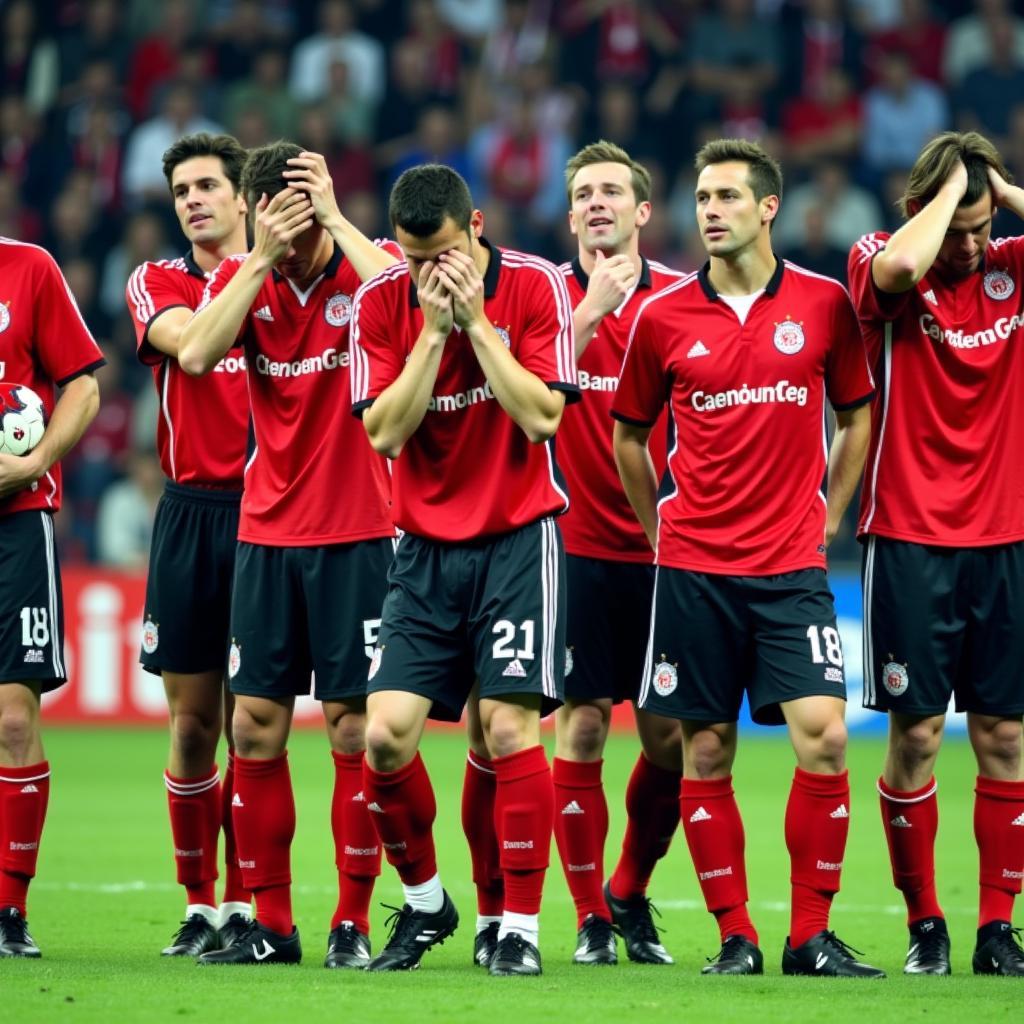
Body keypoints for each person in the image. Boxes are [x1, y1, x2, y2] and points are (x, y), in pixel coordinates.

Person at [612, 138, 883, 978]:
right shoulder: (662, 318)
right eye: (702, 198)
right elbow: (629, 435)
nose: (711, 211)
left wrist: (830, 515)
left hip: (790, 570)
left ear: (768, 207)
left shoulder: (825, 303)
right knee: (705, 752)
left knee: (826, 740)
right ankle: (737, 935)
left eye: (728, 196)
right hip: (693, 569)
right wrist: (659, 533)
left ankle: (809, 936)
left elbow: (858, 415)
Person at [349, 163, 578, 976]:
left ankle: (516, 927)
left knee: (510, 729)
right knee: (383, 736)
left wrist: (478, 326)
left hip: (518, 538)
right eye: (412, 260)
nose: (426, 275)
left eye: (441, 255)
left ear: (475, 227)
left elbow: (544, 415)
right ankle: (424, 904)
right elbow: (384, 433)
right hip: (423, 550)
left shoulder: (538, 285)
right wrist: (435, 331)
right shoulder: (379, 305)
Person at [177, 140, 399, 967]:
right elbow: (196, 355)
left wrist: (338, 218)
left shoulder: (358, 273)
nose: (294, 220)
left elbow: (406, 294)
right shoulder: (249, 282)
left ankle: (350, 919)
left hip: (359, 533)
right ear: (259, 209)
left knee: (351, 729)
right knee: (256, 726)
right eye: (279, 205)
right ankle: (271, 923)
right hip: (267, 533)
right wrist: (260, 256)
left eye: (304, 202)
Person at [849, 130, 1024, 977]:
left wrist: (999, 191)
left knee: (1004, 738)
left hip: (1008, 537)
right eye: (957, 226)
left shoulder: (1013, 266)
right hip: (910, 534)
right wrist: (946, 198)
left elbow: (995, 231)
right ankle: (926, 924)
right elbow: (893, 274)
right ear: (923, 211)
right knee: (916, 737)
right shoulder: (882, 254)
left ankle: (997, 928)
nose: (971, 245)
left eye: (983, 227)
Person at [550, 140, 685, 966]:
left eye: (613, 192)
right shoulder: (542, 298)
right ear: (570, 216)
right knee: (585, 726)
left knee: (671, 741)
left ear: (642, 211)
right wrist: (589, 313)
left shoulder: (682, 299)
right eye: (584, 193)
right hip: (572, 547)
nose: (598, 202)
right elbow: (514, 392)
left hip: (671, 551)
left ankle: (628, 889)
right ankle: (587, 917)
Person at [125, 132, 253, 957]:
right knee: (191, 725)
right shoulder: (155, 281)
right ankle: (199, 904)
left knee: (255, 726)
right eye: (181, 191)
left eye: (209, 185)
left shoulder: (291, 280)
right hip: (189, 514)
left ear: (244, 196)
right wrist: (254, 271)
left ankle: (245, 905)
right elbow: (192, 347)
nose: (195, 200)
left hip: (269, 516)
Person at [0, 239, 103, 956]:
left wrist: (35, 461)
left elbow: (86, 385)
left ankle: (9, 908)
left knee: (12, 720)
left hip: (15, 521)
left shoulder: (29, 267)